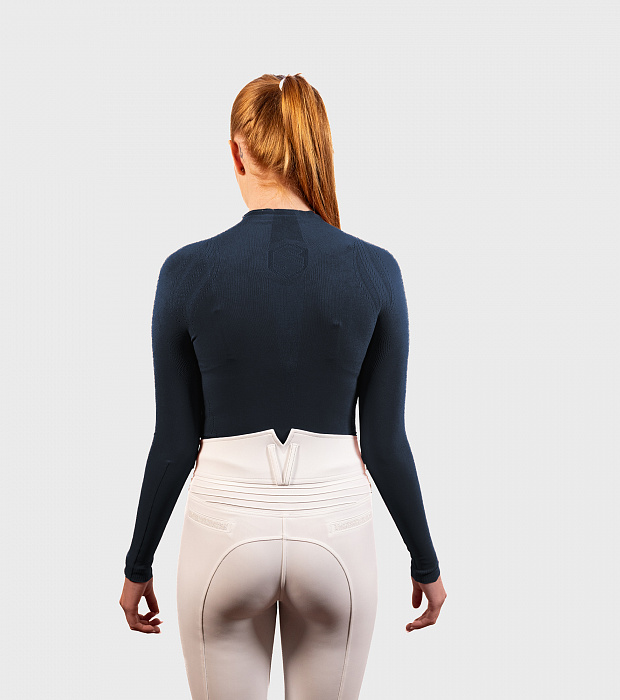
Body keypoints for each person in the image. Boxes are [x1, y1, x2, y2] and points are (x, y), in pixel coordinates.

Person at [119, 72, 447, 699]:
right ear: (315, 148)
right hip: (336, 528)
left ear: (237, 153)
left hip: (223, 527)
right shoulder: (376, 270)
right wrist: (425, 562)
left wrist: (138, 565)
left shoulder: (185, 272)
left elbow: (175, 442)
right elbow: (384, 444)